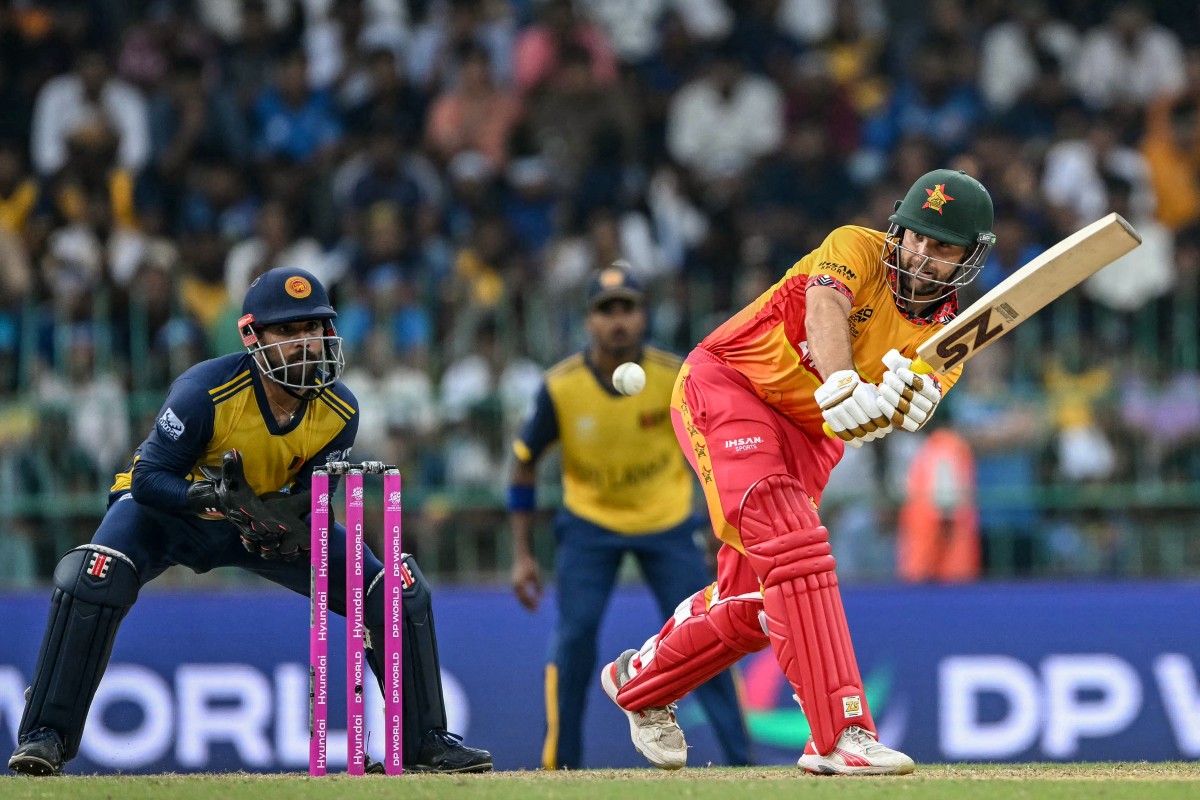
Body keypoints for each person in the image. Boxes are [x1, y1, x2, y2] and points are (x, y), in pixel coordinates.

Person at [8, 267, 492, 776]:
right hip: (169, 513)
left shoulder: (340, 409)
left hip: (258, 520)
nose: (304, 342)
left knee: (393, 588)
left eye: (312, 327)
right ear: (252, 337)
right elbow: (148, 478)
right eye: (287, 330)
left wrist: (288, 524)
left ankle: (425, 741)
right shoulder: (205, 392)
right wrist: (206, 497)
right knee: (95, 576)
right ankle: (46, 735)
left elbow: (314, 497)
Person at [599, 169, 996, 774]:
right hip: (730, 386)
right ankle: (840, 734)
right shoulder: (855, 247)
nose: (920, 254)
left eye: (941, 247)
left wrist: (905, 405)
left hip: (810, 436)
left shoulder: (948, 334)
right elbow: (825, 306)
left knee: (757, 602)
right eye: (915, 236)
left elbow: (908, 400)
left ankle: (640, 682)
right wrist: (843, 382)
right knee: (795, 545)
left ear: (967, 257)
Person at [508, 263, 751, 770]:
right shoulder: (561, 386)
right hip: (590, 525)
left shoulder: (674, 376)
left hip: (667, 524)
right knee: (574, 641)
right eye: (606, 310)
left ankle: (741, 762)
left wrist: (718, 525)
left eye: (627, 308)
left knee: (711, 636)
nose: (617, 320)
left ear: (644, 315)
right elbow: (524, 462)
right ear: (589, 320)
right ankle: (561, 767)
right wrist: (522, 555)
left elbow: (710, 449)